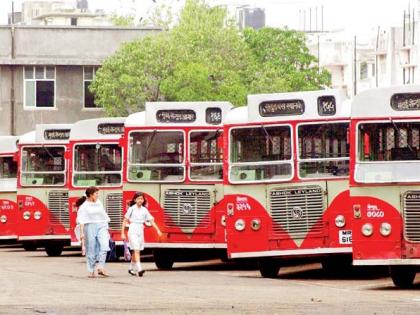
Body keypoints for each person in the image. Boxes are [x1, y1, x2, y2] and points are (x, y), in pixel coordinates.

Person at [121, 191, 162, 277]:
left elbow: (151, 220)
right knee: (136, 250)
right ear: (135, 200)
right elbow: (125, 220)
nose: (140, 200)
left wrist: (158, 230)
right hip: (133, 229)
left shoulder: (144, 210)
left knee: (136, 250)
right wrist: (122, 233)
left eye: (142, 199)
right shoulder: (131, 209)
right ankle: (139, 268)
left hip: (140, 229)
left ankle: (131, 268)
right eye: (138, 198)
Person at [76, 186, 111, 278]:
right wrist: (82, 233)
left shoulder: (99, 203)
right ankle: (91, 270)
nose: (98, 195)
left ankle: (100, 267)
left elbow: (103, 214)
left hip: (102, 225)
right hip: (89, 226)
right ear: (91, 195)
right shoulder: (84, 206)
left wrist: (106, 227)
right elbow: (82, 220)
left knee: (104, 245)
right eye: (96, 194)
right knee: (91, 249)